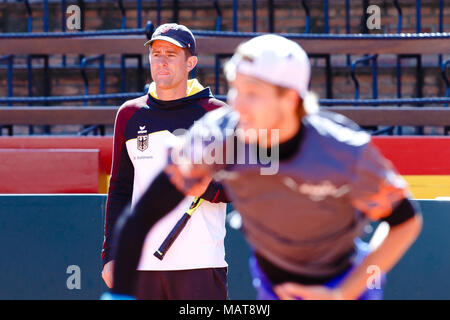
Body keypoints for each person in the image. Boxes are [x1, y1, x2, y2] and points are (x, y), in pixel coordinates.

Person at [105, 34, 422, 300]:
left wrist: (343, 294)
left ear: (290, 98)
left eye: (253, 93)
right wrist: (119, 295)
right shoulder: (217, 136)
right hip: (275, 286)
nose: (238, 103)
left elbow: (406, 222)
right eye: (236, 88)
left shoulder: (343, 151)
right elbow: (143, 214)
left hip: (343, 283)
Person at [101, 23, 230, 300]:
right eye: (156, 53)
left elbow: (244, 185)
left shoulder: (219, 115)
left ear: (190, 63)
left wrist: (207, 188)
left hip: (202, 264)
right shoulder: (129, 114)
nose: (161, 60)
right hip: (140, 267)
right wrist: (111, 254)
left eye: (171, 54)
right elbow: (121, 189)